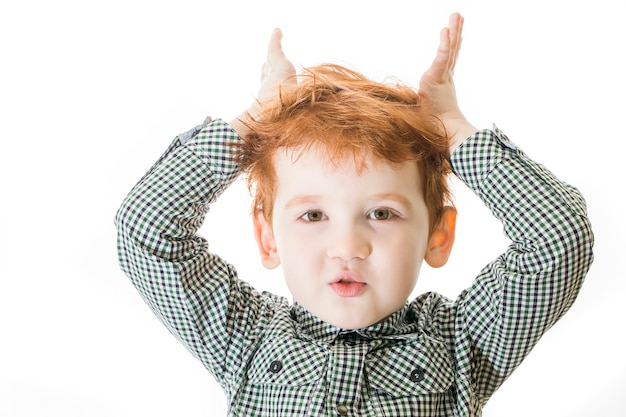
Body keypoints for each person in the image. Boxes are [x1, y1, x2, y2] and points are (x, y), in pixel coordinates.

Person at [115, 13, 594, 416]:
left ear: (437, 236)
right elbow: (146, 229)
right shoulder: (244, 339)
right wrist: (253, 124)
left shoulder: (463, 343)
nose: (347, 247)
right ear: (267, 238)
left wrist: (451, 130)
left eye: (382, 213)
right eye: (313, 216)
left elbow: (558, 237)